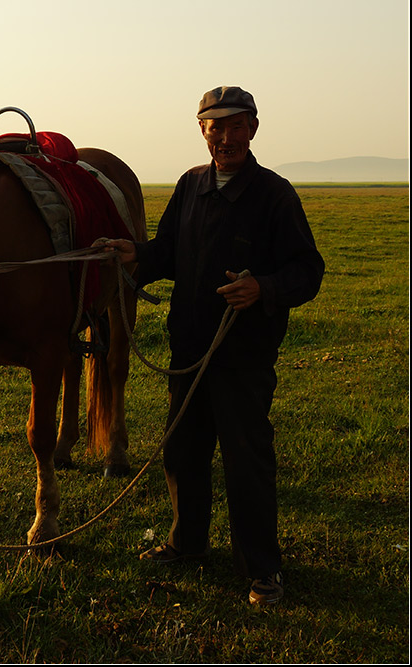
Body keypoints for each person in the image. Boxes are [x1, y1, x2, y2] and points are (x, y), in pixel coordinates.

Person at [101, 86, 325, 605]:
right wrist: (133, 252)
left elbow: (308, 270)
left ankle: (263, 569)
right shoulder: (190, 185)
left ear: (253, 128)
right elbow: (168, 254)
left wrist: (263, 288)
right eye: (214, 126)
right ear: (202, 131)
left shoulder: (274, 194)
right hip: (190, 350)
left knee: (246, 460)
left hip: (243, 355)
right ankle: (188, 544)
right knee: (184, 452)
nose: (225, 136)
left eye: (235, 125)